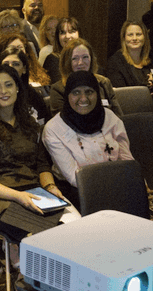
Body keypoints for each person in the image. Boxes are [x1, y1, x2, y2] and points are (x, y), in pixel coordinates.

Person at [0, 64, 77, 272]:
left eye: (9, 85)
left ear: (18, 88)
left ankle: (57, 288)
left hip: (32, 191)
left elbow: (42, 165)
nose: (4, 91)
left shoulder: (29, 124)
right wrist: (17, 196)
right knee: (44, 239)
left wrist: (50, 186)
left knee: (75, 228)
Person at [42, 71, 133, 206]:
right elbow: (75, 177)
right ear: (67, 96)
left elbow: (126, 161)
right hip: (80, 194)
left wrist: (131, 183)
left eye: (89, 92)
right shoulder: (54, 129)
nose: (83, 98)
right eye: (76, 93)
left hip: (119, 185)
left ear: (97, 93)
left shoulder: (110, 117)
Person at [105, 20, 153, 120]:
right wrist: (152, 110)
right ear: (124, 38)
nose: (134, 38)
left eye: (138, 34)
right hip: (131, 114)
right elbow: (124, 97)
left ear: (145, 37)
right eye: (130, 35)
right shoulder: (115, 63)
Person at [48, 38, 122, 116]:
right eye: (75, 58)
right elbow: (61, 122)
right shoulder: (58, 89)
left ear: (91, 59)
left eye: (85, 57)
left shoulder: (104, 83)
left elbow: (119, 117)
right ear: (67, 62)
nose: (81, 63)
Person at [43, 16, 79, 84]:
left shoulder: (87, 56)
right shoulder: (52, 60)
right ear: (58, 37)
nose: (67, 36)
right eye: (62, 33)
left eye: (71, 31)